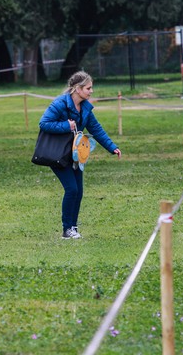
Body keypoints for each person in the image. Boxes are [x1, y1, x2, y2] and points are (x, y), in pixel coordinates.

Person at [38, 71, 121, 239]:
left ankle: (73, 227)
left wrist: (112, 147)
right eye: (88, 88)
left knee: (79, 191)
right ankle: (66, 229)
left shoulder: (85, 108)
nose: (91, 91)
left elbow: (96, 129)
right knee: (71, 189)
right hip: (58, 154)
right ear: (77, 88)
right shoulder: (60, 104)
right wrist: (65, 126)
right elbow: (44, 123)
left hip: (76, 154)